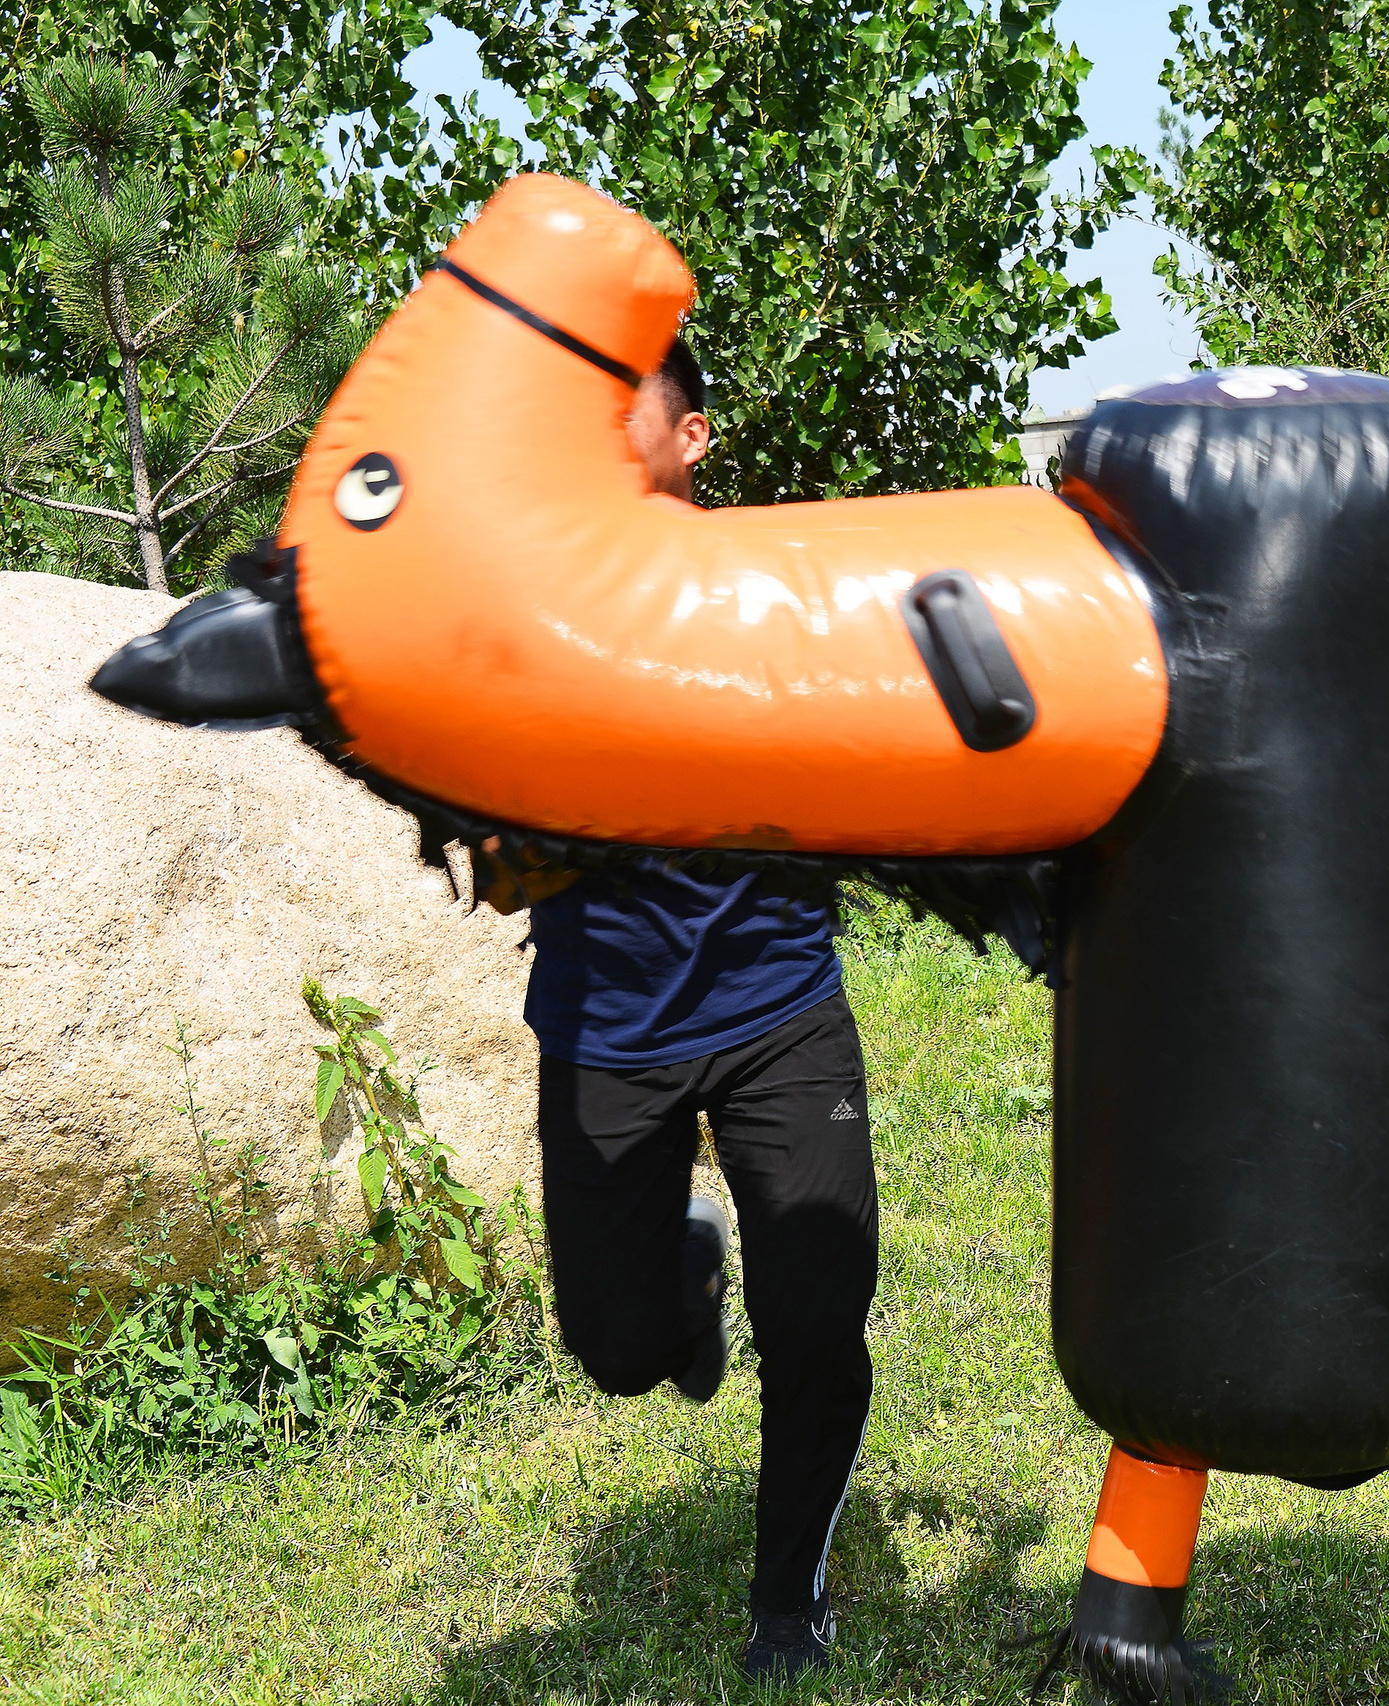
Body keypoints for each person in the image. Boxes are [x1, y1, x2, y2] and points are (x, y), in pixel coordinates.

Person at [476, 338, 875, 1680]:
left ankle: (788, 1598)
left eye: (620, 407)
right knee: (617, 1350)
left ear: (693, 437)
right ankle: (681, 1267)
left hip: (781, 1006)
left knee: (819, 1320)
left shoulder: (778, 593)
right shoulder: (530, 608)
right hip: (607, 1023)